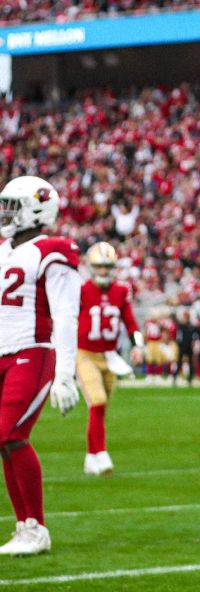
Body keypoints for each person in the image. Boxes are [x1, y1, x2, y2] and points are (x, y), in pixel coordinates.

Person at [0, 176, 81, 556]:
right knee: (8, 441)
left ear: (36, 209)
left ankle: (36, 528)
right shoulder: (3, 251)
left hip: (32, 352)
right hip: (3, 353)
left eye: (12, 206)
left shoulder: (51, 249)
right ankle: (26, 527)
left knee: (8, 433)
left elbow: (66, 314)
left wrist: (65, 373)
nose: (5, 214)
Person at [77, 241, 139, 476]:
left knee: (99, 409)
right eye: (99, 266)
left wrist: (138, 346)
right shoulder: (81, 290)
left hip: (110, 356)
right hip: (85, 354)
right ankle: (101, 453)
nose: (103, 271)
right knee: (98, 401)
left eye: (107, 266)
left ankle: (90, 457)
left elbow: (131, 322)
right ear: (92, 267)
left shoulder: (121, 291)